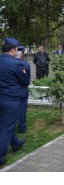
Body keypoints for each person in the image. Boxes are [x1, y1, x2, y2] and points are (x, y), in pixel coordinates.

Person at [0, 38, 30, 166]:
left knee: (6, 125)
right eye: (16, 49)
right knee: (6, 128)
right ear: (13, 50)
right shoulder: (16, 64)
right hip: (10, 100)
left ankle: (15, 143)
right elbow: (24, 82)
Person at [15, 46, 31, 134]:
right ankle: (22, 128)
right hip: (23, 90)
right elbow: (28, 78)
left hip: (13, 91)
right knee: (22, 110)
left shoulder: (11, 63)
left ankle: (12, 127)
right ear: (21, 55)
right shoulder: (26, 64)